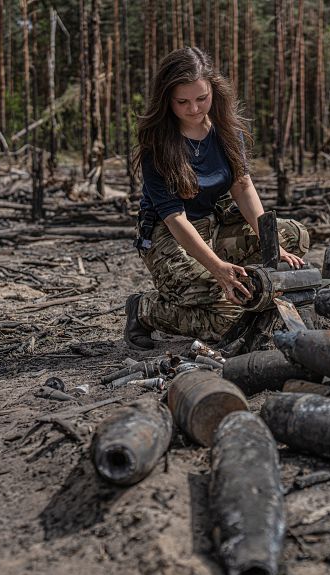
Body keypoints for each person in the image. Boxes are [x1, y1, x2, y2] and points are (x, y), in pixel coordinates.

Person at [125, 47, 309, 350]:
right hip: (170, 237)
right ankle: (146, 310)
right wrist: (217, 268)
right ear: (167, 99)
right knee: (230, 321)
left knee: (293, 236)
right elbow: (175, 218)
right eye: (182, 102)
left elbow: (242, 186)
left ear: (214, 89)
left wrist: (269, 241)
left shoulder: (226, 130)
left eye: (201, 98)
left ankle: (250, 288)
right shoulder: (157, 144)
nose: (194, 109)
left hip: (218, 228)